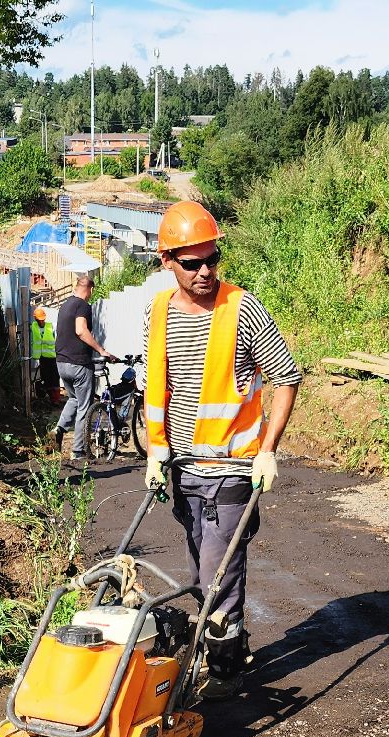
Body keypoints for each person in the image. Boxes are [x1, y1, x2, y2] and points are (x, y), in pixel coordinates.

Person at [141, 201, 302, 698]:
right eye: (193, 263)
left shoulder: (242, 308)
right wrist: (155, 452)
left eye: (212, 259)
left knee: (216, 574)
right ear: (167, 261)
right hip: (183, 468)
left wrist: (267, 450)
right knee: (202, 570)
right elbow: (156, 387)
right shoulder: (159, 312)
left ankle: (225, 668)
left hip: (232, 468)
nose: (206, 271)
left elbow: (287, 377)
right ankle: (229, 641)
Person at [54, 273, 119, 463]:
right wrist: (101, 350)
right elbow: (81, 330)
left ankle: (58, 429)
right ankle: (78, 451)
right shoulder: (83, 305)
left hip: (62, 363)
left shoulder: (65, 305)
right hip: (79, 364)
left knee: (74, 399)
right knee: (84, 406)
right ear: (90, 289)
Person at [31, 305, 60, 406]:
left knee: (55, 378)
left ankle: (56, 399)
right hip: (42, 358)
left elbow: (57, 339)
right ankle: (49, 398)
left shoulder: (50, 326)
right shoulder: (33, 326)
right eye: (39, 320)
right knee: (46, 378)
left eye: (42, 319)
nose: (41, 322)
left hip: (52, 357)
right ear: (35, 319)